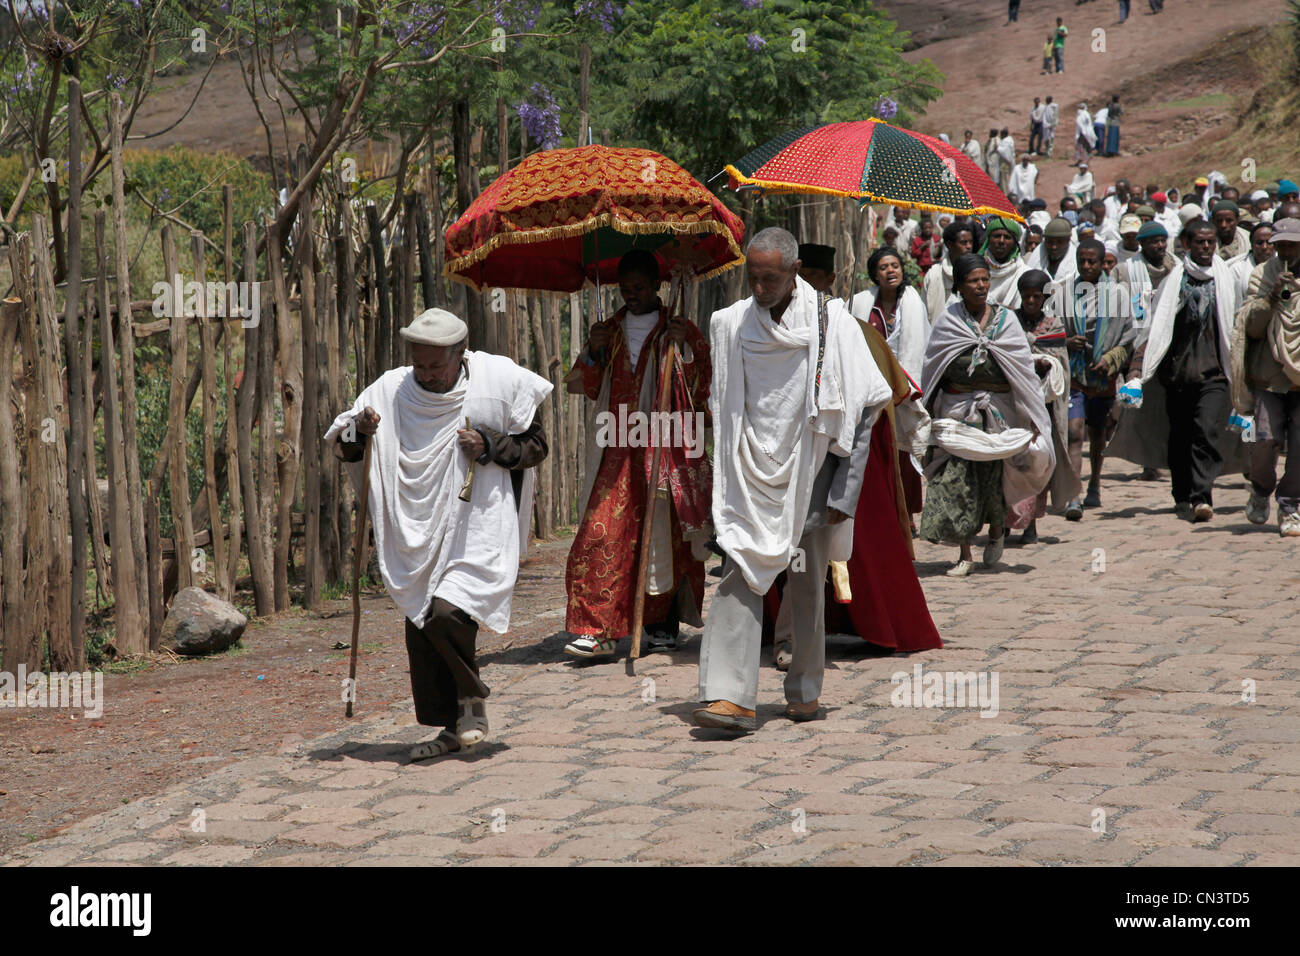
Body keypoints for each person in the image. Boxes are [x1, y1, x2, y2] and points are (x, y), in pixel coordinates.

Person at [326, 308, 552, 761]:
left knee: (449, 612)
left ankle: (472, 700)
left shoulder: (497, 383)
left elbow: (535, 446)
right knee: (423, 618)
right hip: (416, 523)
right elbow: (343, 442)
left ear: (460, 354)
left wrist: (489, 446)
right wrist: (361, 429)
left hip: (479, 522)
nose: (426, 374)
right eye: (419, 364)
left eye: (436, 366)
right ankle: (452, 726)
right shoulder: (391, 391)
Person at [694, 228, 890, 733]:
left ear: (795, 271)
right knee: (738, 574)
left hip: (814, 475)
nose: (759, 288)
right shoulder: (730, 324)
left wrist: (845, 492)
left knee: (804, 585)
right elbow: (723, 404)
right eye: (752, 277)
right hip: (747, 474)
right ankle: (728, 697)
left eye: (771, 278)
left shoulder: (835, 326)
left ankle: (803, 690)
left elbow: (866, 407)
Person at [562, 251, 711, 659]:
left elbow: (701, 386)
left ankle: (660, 624)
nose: (631, 295)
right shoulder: (607, 331)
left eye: (639, 288)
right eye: (625, 289)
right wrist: (593, 352)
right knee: (601, 531)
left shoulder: (678, 329)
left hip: (666, 444)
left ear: (657, 286)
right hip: (616, 447)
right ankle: (599, 629)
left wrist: (685, 349)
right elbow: (589, 385)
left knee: (663, 533)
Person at [918, 253, 1054, 576]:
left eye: (984, 279)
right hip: (956, 413)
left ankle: (995, 532)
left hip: (998, 414)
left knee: (992, 481)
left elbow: (1021, 371)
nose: (980, 286)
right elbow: (933, 368)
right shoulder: (948, 322)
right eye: (973, 281)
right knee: (956, 480)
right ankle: (964, 552)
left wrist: (1034, 420)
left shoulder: (1006, 321)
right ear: (960, 287)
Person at [1113, 221, 1241, 521]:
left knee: (1206, 430)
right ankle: (1181, 495)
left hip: (1215, 372)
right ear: (1187, 244)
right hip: (1178, 374)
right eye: (1200, 242)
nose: (1207, 247)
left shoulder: (1226, 279)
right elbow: (1154, 330)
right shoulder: (1175, 282)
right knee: (1180, 437)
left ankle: (1202, 496)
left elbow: (1236, 326)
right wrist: (1136, 369)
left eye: (1211, 242)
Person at [852, 246, 931, 517]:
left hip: (904, 388)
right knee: (875, 449)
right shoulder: (861, 303)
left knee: (903, 453)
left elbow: (920, 346)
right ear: (875, 273)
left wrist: (905, 382)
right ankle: (880, 512)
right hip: (870, 387)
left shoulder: (913, 303)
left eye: (894, 265)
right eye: (884, 267)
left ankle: (906, 513)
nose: (890, 271)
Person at [1056, 239, 1133, 515]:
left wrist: (1110, 359)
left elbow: (1128, 338)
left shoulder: (1118, 295)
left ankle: (1095, 484)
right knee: (1074, 433)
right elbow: (1051, 330)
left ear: (1103, 264)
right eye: (1082, 261)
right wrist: (1066, 341)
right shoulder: (1063, 292)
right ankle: (1073, 495)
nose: (1086, 266)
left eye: (1092, 261)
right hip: (1074, 375)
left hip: (1102, 376)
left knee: (1097, 434)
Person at [1236, 217, 1300, 536]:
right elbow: (1252, 328)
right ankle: (1261, 489)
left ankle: (1289, 505)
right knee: (1265, 440)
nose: (1286, 250)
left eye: (1292, 244)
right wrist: (1271, 299)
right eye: (1281, 245)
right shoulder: (1262, 275)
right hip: (1270, 376)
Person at [1011, 269, 1080, 543]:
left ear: (1045, 297)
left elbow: (1060, 364)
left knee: (1038, 465)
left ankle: (1030, 525)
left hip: (1045, 410)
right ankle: (1006, 521)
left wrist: (1042, 363)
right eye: (1026, 296)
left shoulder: (1054, 326)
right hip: (1014, 407)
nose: (1030, 301)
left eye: (1035, 296)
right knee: (1012, 465)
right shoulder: (1009, 323)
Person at [923, 220, 973, 320]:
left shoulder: (977, 272)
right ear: (949, 245)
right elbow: (923, 311)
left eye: (971, 242)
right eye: (963, 243)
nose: (969, 246)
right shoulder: (934, 275)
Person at [981, 215, 1027, 310]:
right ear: (989, 239)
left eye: (1007, 237)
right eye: (997, 236)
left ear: (1015, 243)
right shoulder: (976, 269)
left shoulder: (1023, 272)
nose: (1001, 241)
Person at [1231, 222, 1273, 301]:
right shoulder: (1237, 270)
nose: (1264, 247)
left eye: (1269, 243)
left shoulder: (1285, 266)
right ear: (1252, 245)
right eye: (1259, 243)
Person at [997, 128, 1017, 196]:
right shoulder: (1008, 141)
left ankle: (1006, 194)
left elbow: (1006, 153)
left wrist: (998, 148)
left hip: (1005, 163)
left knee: (1004, 179)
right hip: (1005, 162)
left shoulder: (1007, 142)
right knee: (1004, 178)